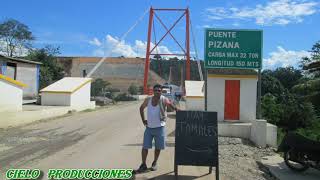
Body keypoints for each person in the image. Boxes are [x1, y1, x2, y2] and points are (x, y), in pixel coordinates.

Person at [137, 84, 179, 172]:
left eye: (159, 90)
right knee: (145, 147)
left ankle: (154, 162)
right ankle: (143, 164)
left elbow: (170, 105)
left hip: (160, 127)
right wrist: (143, 120)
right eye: (155, 90)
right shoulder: (148, 99)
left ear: (161, 91)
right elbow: (141, 108)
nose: (157, 92)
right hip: (149, 128)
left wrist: (176, 109)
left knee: (158, 147)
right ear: (153, 91)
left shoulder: (164, 99)